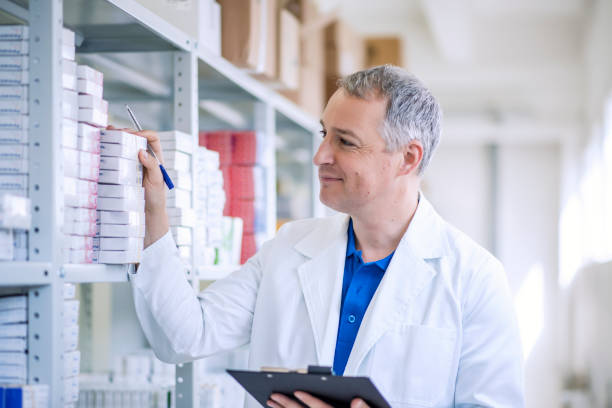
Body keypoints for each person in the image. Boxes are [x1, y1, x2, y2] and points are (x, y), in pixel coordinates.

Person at [129, 65, 524, 408]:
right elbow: (181, 337)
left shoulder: (474, 278)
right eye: (324, 134)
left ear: (408, 157)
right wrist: (154, 208)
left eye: (345, 142)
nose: (320, 155)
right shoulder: (289, 249)